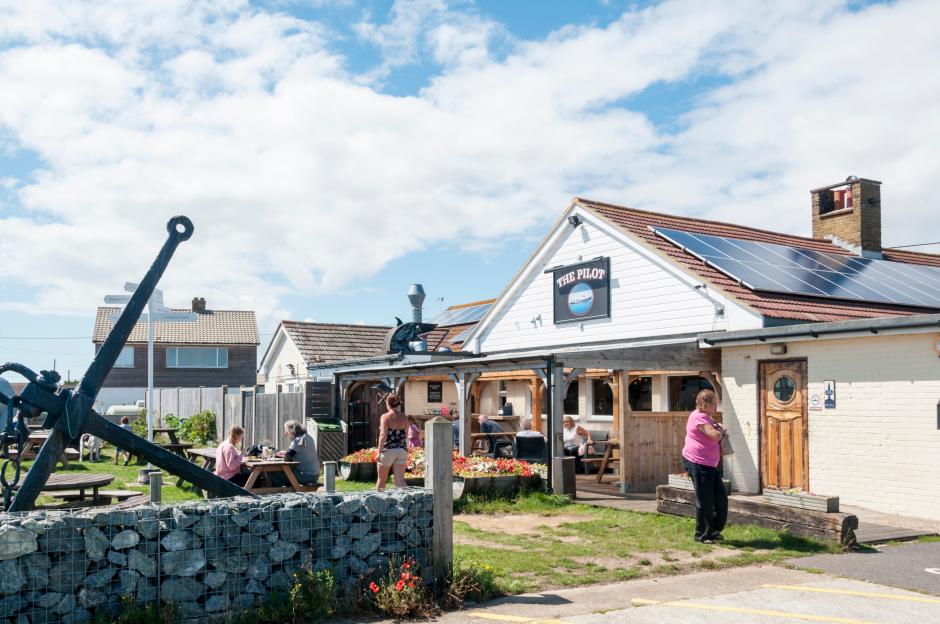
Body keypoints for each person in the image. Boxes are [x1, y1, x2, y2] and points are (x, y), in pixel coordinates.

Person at [681, 388, 728, 544]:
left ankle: (714, 531)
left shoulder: (706, 417)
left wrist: (717, 427)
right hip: (698, 464)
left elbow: (713, 429)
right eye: (714, 403)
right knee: (705, 500)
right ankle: (701, 535)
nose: (716, 406)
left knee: (720, 498)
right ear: (705, 404)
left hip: (708, 465)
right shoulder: (699, 418)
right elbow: (714, 435)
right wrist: (721, 431)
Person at [376, 394, 408, 490]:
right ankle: (407, 501)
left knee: (382, 479)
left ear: (388, 404)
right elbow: (406, 434)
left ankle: (377, 503)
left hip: (388, 450)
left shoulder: (385, 417)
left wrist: (378, 452)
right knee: (399, 480)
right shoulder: (404, 416)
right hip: (402, 450)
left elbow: (383, 435)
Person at [274, 420, 320, 485]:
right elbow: (301, 453)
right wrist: (287, 453)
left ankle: (282, 492)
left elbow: (286, 460)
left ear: (290, 431)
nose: (286, 434)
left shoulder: (297, 440)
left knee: (272, 473)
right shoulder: (307, 437)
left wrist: (286, 455)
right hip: (315, 475)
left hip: (307, 476)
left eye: (286, 431)